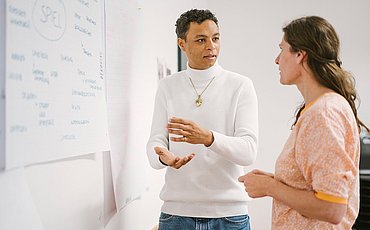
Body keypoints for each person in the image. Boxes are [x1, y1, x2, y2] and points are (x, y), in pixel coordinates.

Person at [238, 16, 370, 229]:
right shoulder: (322, 108)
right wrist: (277, 180)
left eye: (282, 49)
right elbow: (316, 187)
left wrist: (270, 187)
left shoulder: (324, 113)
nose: (277, 59)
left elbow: (331, 208)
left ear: (300, 55)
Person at [146, 9, 258, 230]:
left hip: (229, 218)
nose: (211, 46)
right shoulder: (167, 86)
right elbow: (155, 143)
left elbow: (248, 151)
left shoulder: (240, 85)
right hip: (176, 215)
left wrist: (209, 138)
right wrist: (163, 158)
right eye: (201, 40)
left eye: (215, 38)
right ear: (182, 44)